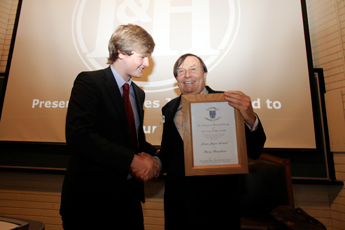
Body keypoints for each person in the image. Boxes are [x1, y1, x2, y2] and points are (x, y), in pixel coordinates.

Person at [60, 24, 160, 230]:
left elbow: (136, 141)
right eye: (142, 56)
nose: (147, 63)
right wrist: (132, 160)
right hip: (90, 204)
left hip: (128, 202)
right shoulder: (90, 82)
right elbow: (79, 136)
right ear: (121, 52)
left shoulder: (138, 94)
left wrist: (158, 157)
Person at [157, 53, 266, 230]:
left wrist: (250, 118)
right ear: (176, 78)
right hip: (179, 203)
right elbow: (169, 153)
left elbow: (255, 150)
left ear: (204, 74)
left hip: (219, 202)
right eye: (181, 71)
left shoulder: (228, 102)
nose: (187, 75)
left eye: (193, 69)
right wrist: (153, 163)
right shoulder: (169, 109)